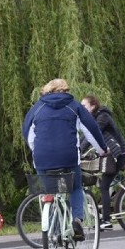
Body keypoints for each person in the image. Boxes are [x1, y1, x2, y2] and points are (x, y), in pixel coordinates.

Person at [22, 79, 107, 240]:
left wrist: (38, 150)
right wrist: (102, 150)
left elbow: (28, 134)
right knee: (75, 186)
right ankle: (77, 221)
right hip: (68, 156)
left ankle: (54, 233)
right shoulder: (74, 106)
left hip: (42, 157)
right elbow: (91, 130)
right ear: (65, 90)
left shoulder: (36, 108)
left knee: (50, 191)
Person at [80, 94, 125, 230]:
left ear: (93, 106)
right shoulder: (93, 118)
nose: (82, 109)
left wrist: (78, 151)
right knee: (102, 183)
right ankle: (104, 216)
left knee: (104, 186)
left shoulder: (103, 117)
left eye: (84, 106)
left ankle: (106, 221)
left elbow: (92, 135)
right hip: (109, 155)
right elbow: (84, 136)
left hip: (118, 155)